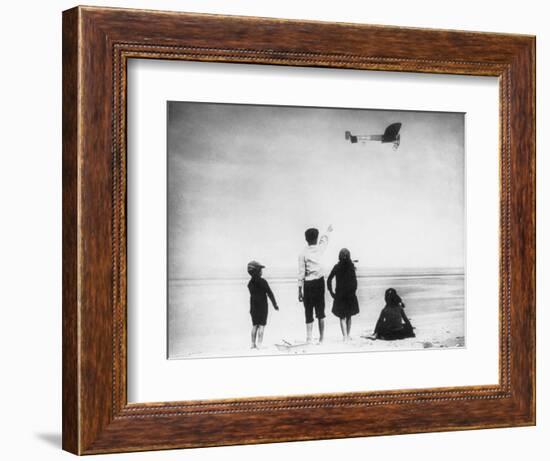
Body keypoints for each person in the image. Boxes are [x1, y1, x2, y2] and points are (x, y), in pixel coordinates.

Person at [298, 225, 333, 344]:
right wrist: (328, 231)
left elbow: (301, 273)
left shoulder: (302, 253)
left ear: (306, 239)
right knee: (320, 311)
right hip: (319, 282)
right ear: (316, 238)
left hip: (308, 284)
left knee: (308, 311)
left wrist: (299, 291)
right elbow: (325, 240)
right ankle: (322, 338)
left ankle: (309, 338)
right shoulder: (320, 248)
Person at [327, 248, 359, 341]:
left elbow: (329, 279)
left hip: (340, 294)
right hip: (350, 294)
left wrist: (331, 292)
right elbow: (355, 282)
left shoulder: (337, 266)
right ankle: (347, 336)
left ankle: (345, 336)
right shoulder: (351, 266)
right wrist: (353, 291)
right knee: (349, 315)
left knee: (342, 316)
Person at [247, 260, 279, 349]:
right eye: (260, 270)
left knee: (254, 325)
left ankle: (252, 344)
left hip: (253, 306)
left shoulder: (249, 284)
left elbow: (253, 296)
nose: (261, 271)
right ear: (257, 271)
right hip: (262, 307)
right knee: (261, 326)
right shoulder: (263, 282)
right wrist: (275, 305)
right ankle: (260, 345)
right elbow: (270, 293)